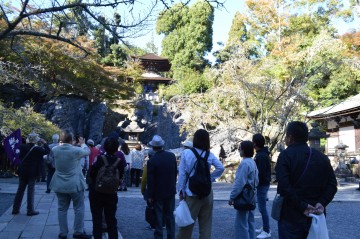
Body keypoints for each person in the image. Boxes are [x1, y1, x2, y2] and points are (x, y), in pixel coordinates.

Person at [275, 121, 337, 239]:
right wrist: (321, 203)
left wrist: (303, 205)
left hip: (291, 214)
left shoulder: (285, 156)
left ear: (290, 137)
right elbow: (332, 185)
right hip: (316, 213)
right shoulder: (322, 157)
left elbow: (284, 187)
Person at [177, 129, 225, 239]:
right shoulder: (210, 154)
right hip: (207, 193)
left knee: (186, 224)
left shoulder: (186, 153)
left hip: (191, 193)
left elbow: (182, 175)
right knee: (206, 225)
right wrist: (210, 178)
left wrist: (181, 191)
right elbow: (220, 168)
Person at [49, 129, 92, 239]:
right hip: (75, 183)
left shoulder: (55, 149)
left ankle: (63, 233)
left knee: (62, 209)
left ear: (61, 139)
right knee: (79, 208)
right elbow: (88, 151)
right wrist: (82, 144)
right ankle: (78, 231)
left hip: (59, 183)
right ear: (72, 140)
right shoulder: (76, 150)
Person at [88, 137, 126, 239]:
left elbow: (92, 173)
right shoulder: (119, 161)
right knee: (111, 219)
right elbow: (121, 176)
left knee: (97, 219)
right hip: (111, 193)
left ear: (104, 147)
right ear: (116, 148)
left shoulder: (100, 159)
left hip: (97, 192)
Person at [147, 135, 177, 239]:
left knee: (158, 216)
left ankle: (159, 236)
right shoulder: (171, 156)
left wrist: (150, 195)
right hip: (170, 190)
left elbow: (151, 181)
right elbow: (175, 173)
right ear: (162, 145)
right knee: (169, 215)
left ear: (153, 147)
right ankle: (171, 236)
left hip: (158, 192)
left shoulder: (152, 161)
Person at [12, 132, 50, 216]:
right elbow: (48, 151)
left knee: (20, 190)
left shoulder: (22, 147)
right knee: (30, 190)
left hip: (23, 171)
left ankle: (15, 209)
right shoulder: (38, 149)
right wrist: (44, 143)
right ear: (36, 140)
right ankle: (30, 210)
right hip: (33, 172)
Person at [229, 141, 259, 239]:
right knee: (250, 222)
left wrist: (232, 197)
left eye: (240, 148)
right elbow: (257, 180)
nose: (239, 150)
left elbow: (239, 183)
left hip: (244, 197)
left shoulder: (244, 164)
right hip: (252, 196)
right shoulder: (253, 162)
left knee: (241, 224)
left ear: (244, 150)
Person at [252, 134, 271, 239]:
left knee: (262, 208)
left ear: (255, 143)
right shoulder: (262, 154)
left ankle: (267, 230)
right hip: (263, 184)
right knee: (262, 207)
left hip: (262, 185)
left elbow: (261, 173)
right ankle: (265, 227)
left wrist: (256, 183)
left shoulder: (261, 156)